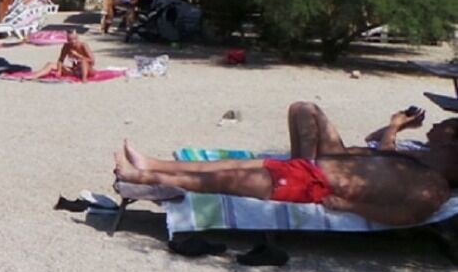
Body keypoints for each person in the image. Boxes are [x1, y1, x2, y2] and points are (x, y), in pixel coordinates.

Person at [114, 104, 458, 227]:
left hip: (316, 185)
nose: (437, 126)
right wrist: (395, 126)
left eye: (445, 126)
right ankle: (150, 165)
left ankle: (143, 176)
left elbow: (408, 216)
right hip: (312, 170)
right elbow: (382, 150)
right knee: (233, 167)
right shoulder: (418, 162)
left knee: (227, 178)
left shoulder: (433, 187)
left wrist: (350, 205)